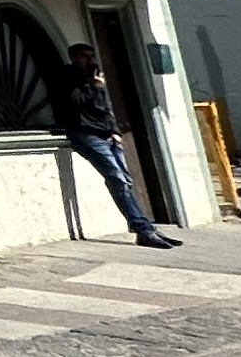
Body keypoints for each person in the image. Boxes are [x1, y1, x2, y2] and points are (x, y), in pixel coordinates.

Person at [64, 45, 183, 247]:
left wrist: (115, 130)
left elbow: (104, 108)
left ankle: (147, 228)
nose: (90, 60)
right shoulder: (68, 77)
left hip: (107, 135)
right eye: (84, 56)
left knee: (125, 180)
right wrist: (95, 87)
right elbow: (77, 102)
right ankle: (143, 229)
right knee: (117, 179)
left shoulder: (94, 77)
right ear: (74, 57)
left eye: (92, 56)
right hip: (86, 134)